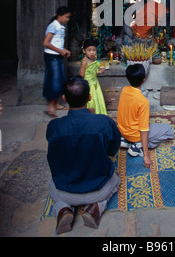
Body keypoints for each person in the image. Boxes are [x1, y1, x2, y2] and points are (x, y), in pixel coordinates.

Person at [46, 76, 121, 235]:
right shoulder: (103, 122)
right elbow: (112, 150)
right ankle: (95, 208)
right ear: (89, 97)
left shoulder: (54, 126)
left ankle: (64, 209)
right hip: (98, 189)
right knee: (116, 179)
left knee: (52, 184)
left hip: (66, 190)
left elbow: (54, 151)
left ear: (64, 98)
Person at [117, 63, 174, 168]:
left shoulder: (124, 90)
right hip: (135, 134)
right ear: (144, 80)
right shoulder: (143, 101)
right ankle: (138, 146)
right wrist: (146, 155)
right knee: (169, 130)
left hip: (122, 131)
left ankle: (125, 140)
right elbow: (144, 129)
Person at [43, 6, 71, 117]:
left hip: (57, 56)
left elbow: (56, 42)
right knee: (53, 81)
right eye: (67, 17)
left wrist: (63, 51)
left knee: (60, 80)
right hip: (52, 57)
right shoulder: (53, 26)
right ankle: (51, 107)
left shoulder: (60, 26)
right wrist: (60, 50)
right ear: (60, 16)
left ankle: (57, 104)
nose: (68, 19)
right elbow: (46, 43)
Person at [79, 39, 107, 115]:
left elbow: (93, 72)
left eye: (94, 50)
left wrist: (99, 71)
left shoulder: (94, 59)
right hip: (88, 85)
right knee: (91, 100)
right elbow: (81, 75)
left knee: (97, 99)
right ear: (84, 51)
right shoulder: (84, 61)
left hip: (95, 83)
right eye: (89, 50)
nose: (92, 52)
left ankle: (98, 114)